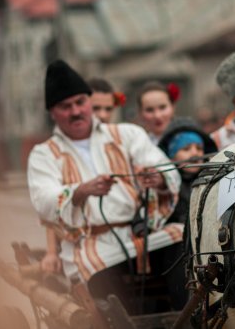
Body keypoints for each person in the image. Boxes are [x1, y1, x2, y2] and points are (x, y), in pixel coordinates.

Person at [28, 60, 184, 311]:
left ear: (89, 102)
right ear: (53, 113)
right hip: (90, 244)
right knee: (99, 272)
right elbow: (44, 200)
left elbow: (162, 166)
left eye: (80, 102)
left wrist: (158, 178)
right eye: (65, 107)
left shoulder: (127, 134)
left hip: (136, 234)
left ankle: (185, 316)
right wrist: (80, 191)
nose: (76, 111)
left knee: (181, 236)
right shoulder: (43, 154)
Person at [41, 77, 125, 274]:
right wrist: (52, 252)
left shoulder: (123, 141)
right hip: (84, 239)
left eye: (108, 109)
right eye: (97, 109)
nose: (103, 115)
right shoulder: (56, 153)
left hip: (127, 235)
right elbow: (54, 204)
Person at [138, 81, 178, 145]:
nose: (157, 116)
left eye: (162, 107)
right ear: (140, 113)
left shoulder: (190, 144)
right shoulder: (138, 146)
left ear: (173, 107)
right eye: (149, 110)